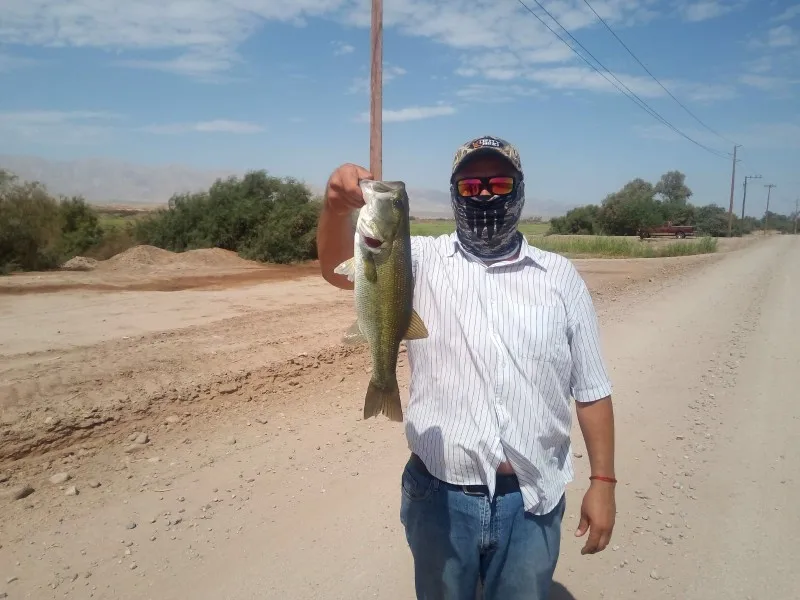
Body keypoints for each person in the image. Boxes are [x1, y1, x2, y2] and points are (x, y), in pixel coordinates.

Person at [317, 135, 616, 600]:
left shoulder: (560, 277)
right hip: (438, 497)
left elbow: (592, 390)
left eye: (499, 184)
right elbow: (338, 270)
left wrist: (603, 482)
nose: (485, 195)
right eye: (471, 186)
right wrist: (336, 208)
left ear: (519, 189)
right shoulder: (419, 259)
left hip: (533, 499)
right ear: (454, 192)